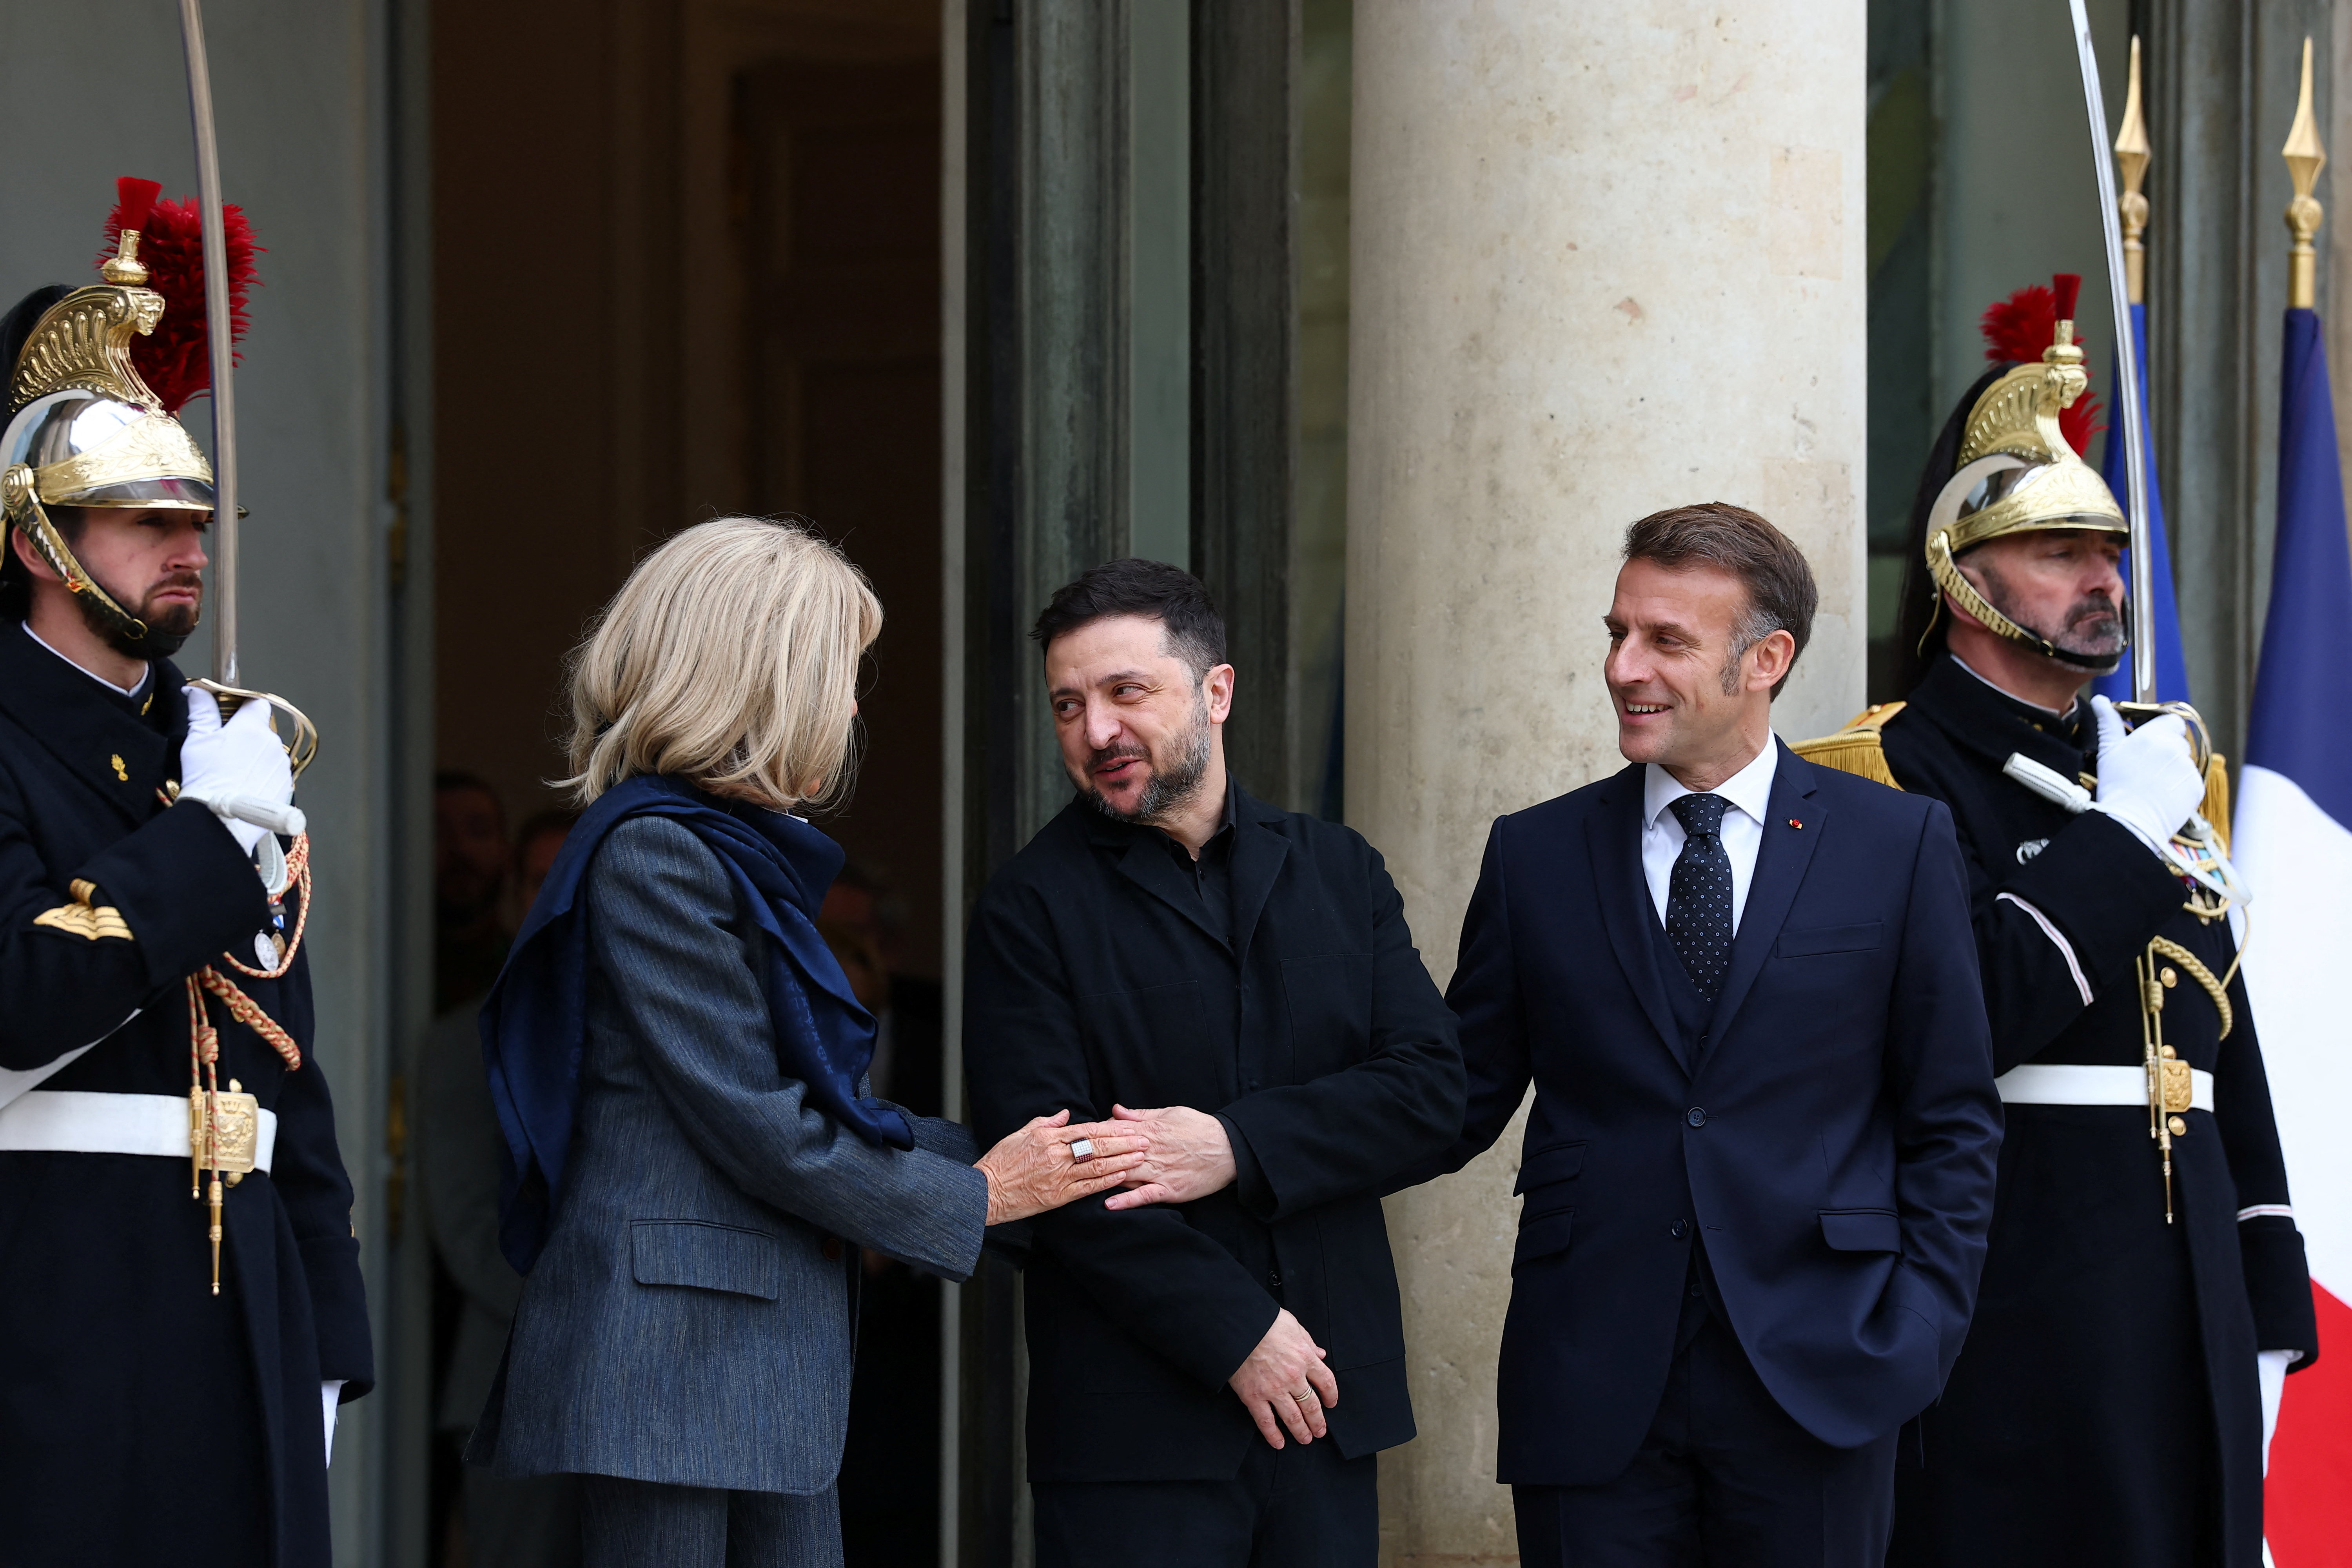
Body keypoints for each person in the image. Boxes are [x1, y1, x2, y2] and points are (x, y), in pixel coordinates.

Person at [465, 517, 1149, 1568]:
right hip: (678, 1369)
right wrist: (985, 1194)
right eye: (837, 672)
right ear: (760, 680)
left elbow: (808, 1109)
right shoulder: (658, 853)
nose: (847, 705)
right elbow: (759, 1120)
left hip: (739, 1361)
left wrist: (1039, 1163)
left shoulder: (713, 848)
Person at [1797, 286, 2317, 1568]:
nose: (2105, 581)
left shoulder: (2155, 773)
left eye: (2112, 553)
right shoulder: (1882, 778)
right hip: (2009, 1272)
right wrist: (2120, 843)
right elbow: (1969, 1009)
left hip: (2181, 1273)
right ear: (1963, 582)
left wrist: (2264, 1285)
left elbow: (2217, 1038)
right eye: (2061, 554)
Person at [1436, 503, 2002, 1567]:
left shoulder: (1897, 843)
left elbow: (1953, 1119)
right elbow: (1446, 1100)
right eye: (1617, 632)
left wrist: (1916, 1335)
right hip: (1591, 1385)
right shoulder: (1535, 856)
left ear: (1766, 661)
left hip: (1826, 1379)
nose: (1623, 666)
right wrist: (1248, 1142)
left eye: (1666, 641)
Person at [0, 192, 371, 1565]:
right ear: (39, 541)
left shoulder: (218, 747)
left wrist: (328, 1335)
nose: (190, 547)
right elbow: (21, 996)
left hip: (245, 1307)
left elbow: (286, 1062)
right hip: (59, 1294)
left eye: (199, 514)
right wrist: (209, 847)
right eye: (143, 517)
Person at [962, 558, 1466, 1568]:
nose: (1095, 730)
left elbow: (1432, 1093)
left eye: (1125, 692)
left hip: (1327, 1406)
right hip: (1133, 1436)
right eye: (1068, 704)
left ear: (1216, 692)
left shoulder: (1341, 869)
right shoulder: (1030, 907)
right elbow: (1053, 1173)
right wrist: (1240, 1331)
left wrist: (1238, 1145)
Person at [416, 799, 583, 1566]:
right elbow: (468, 1229)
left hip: (643, 1388)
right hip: (508, 1382)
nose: (557, 897)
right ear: (518, 895)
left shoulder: (650, 1024)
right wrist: (600, 1305)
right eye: (541, 879)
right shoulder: (460, 1041)